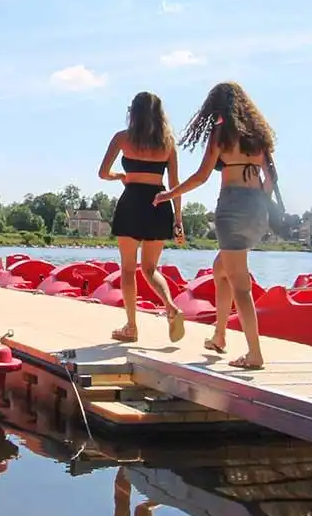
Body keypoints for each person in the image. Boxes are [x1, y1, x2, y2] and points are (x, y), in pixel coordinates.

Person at [153, 81, 282, 370]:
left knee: (241, 285)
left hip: (233, 208)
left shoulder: (222, 133)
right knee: (219, 269)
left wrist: (169, 194)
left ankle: (255, 354)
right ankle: (219, 336)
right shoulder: (259, 136)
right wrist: (259, 202)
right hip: (257, 209)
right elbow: (271, 179)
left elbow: (201, 176)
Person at [97, 91, 188, 344]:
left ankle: (131, 327)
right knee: (150, 269)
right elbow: (175, 185)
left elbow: (103, 173)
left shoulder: (122, 138)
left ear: (133, 113)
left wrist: (120, 177)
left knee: (128, 269)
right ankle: (170, 307)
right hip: (159, 204)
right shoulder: (168, 143)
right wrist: (178, 219)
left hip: (132, 202)